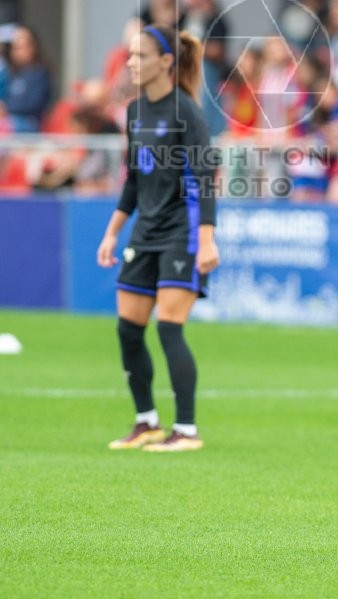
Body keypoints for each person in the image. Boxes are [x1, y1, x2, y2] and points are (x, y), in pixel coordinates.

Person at [97, 24, 219, 452]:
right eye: (130, 55)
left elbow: (204, 179)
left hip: (182, 234)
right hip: (144, 233)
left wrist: (207, 240)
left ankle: (186, 430)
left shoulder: (187, 112)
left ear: (166, 61)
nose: (131, 62)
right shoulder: (134, 112)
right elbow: (133, 181)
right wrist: (113, 232)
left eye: (140, 55)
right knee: (128, 330)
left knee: (169, 328)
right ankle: (146, 421)